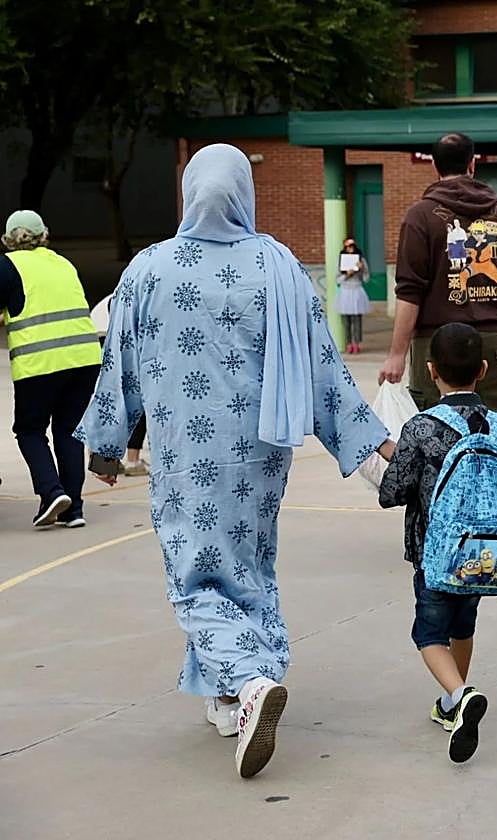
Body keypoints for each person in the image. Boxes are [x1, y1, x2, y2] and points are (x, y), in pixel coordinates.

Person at [76, 144, 392, 779]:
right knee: (244, 564)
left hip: (185, 455)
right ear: (245, 191)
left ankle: (248, 682)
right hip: (261, 452)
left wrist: (107, 445)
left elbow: (121, 365)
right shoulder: (279, 265)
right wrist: (376, 442)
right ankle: (227, 701)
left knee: (197, 576)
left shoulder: (149, 269)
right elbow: (323, 366)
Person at [379, 132, 497, 552]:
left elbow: (409, 292)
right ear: (474, 164)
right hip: (494, 336)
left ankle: (454, 514)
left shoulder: (420, 215)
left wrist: (397, 353)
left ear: (434, 165)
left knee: (439, 426)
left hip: (436, 339)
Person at [379, 323, 497, 763]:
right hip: (487, 553)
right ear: (483, 369)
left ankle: (461, 695)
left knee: (429, 633)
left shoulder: (421, 428)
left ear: (430, 371)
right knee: (463, 626)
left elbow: (392, 492)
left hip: (436, 555)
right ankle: (451, 705)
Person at [0, 210, 102, 528]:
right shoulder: (63, 263)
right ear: (44, 235)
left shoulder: (7, 266)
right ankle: (74, 510)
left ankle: (52, 491)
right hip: (84, 359)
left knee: (29, 430)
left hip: (40, 362)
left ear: (7, 239)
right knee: (69, 429)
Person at [91, 291, 150, 476]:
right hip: (117, 349)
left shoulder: (114, 297)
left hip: (99, 350)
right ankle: (132, 461)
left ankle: (102, 463)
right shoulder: (136, 297)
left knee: (107, 407)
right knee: (137, 407)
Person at [336, 237, 370, 355]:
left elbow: (366, 279)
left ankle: (357, 344)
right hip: (345, 291)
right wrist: (347, 274)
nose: (350, 249)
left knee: (357, 320)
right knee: (346, 321)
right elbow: (337, 280)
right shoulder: (340, 260)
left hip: (356, 290)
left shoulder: (361, 260)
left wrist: (362, 269)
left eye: (352, 246)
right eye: (347, 247)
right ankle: (348, 343)